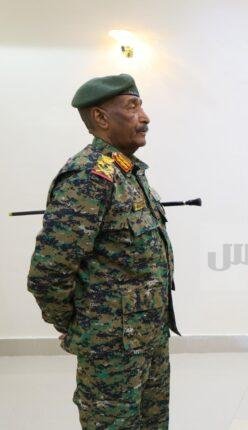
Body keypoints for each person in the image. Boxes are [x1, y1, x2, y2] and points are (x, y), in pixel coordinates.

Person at [27, 74, 178, 429]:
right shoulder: (88, 177)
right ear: (101, 118)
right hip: (110, 349)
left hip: (149, 339)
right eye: (132, 106)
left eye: (141, 105)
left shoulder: (127, 172)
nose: (145, 117)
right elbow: (48, 273)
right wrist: (80, 324)